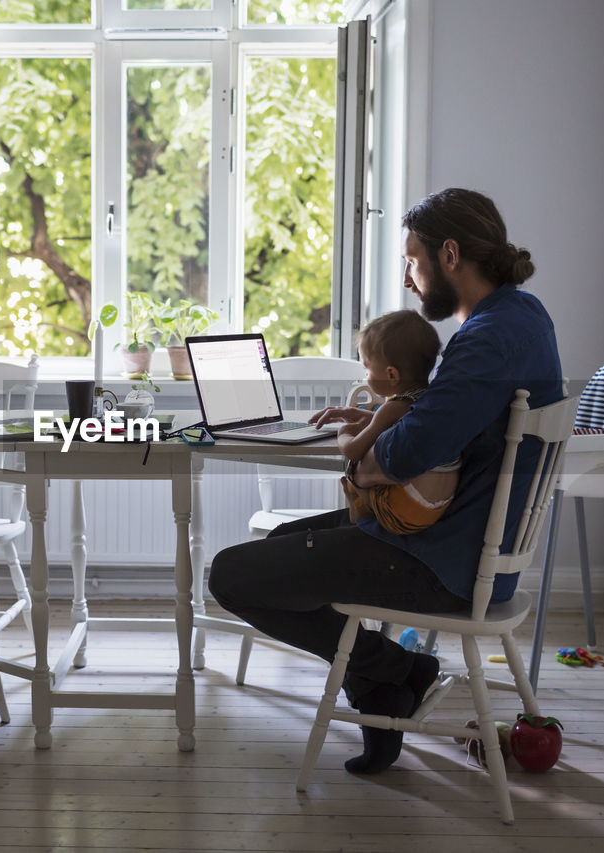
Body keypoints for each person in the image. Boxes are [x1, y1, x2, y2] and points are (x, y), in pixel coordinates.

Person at [207, 187, 563, 775]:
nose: (408, 279)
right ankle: (383, 690)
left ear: (449, 254)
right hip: (463, 550)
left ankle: (398, 673)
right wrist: (379, 420)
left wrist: (368, 454)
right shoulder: (522, 318)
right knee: (276, 550)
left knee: (230, 574)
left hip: (442, 565)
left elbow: (403, 456)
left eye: (412, 261)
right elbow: (430, 426)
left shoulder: (486, 341)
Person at [339, 309, 460, 534]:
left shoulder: (393, 406)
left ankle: (357, 505)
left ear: (392, 375)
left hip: (400, 513)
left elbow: (354, 451)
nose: (365, 375)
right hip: (438, 508)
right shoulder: (431, 401)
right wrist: (372, 419)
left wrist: (344, 433)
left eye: (367, 368)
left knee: (349, 469)